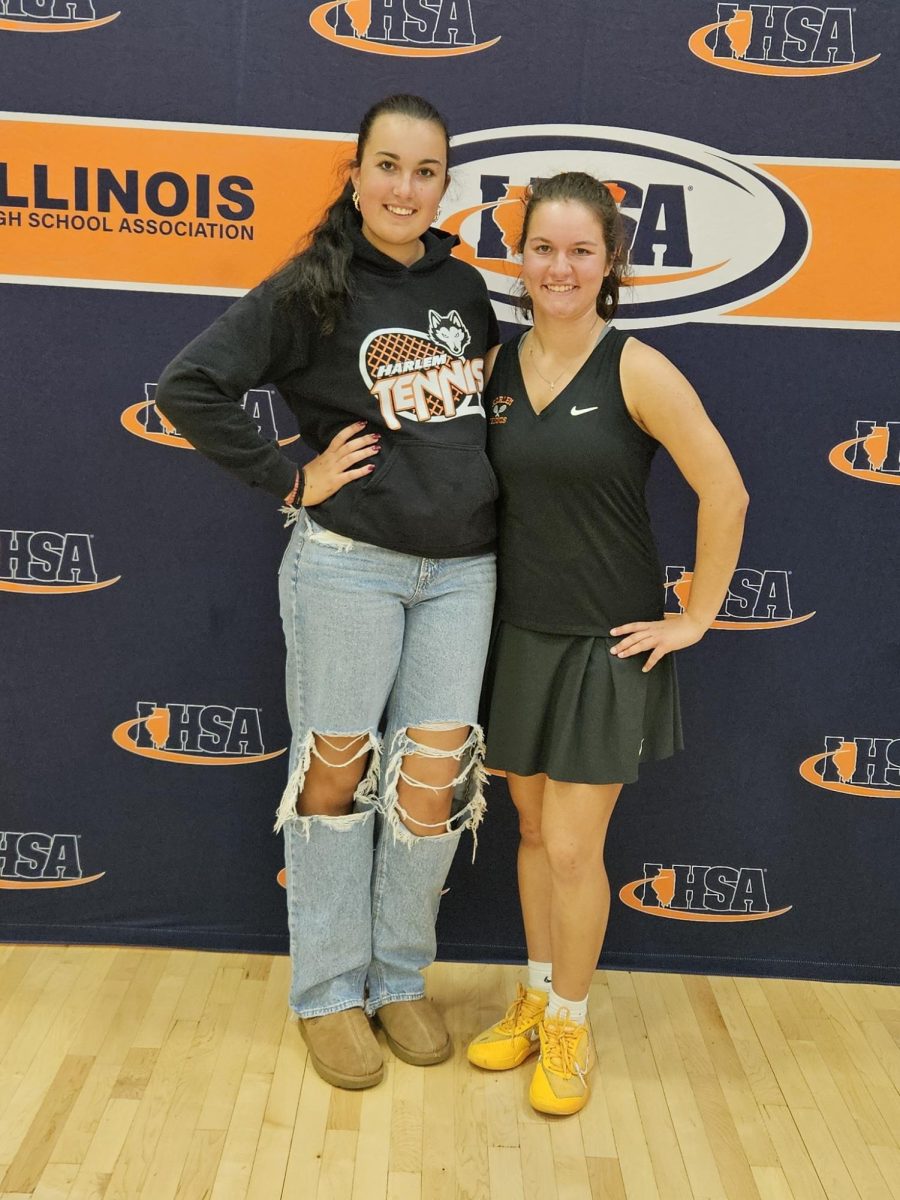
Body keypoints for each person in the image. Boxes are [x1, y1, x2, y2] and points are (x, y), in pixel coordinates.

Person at [156, 94, 499, 1091]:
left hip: (464, 573)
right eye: (386, 166)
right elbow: (191, 386)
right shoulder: (314, 285)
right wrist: (290, 475)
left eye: (425, 171)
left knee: (431, 787)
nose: (404, 187)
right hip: (347, 563)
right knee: (336, 776)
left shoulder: (466, 288)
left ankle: (398, 980)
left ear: (444, 186)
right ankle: (327, 993)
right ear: (355, 176)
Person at [466, 172, 749, 1116]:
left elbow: (727, 491)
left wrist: (696, 614)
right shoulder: (497, 369)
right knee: (534, 832)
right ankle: (538, 991)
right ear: (520, 258)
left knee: (578, 849)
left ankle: (574, 1024)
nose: (560, 266)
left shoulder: (637, 368)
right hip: (517, 640)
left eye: (581, 250)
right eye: (542, 247)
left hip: (604, 649)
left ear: (609, 262)